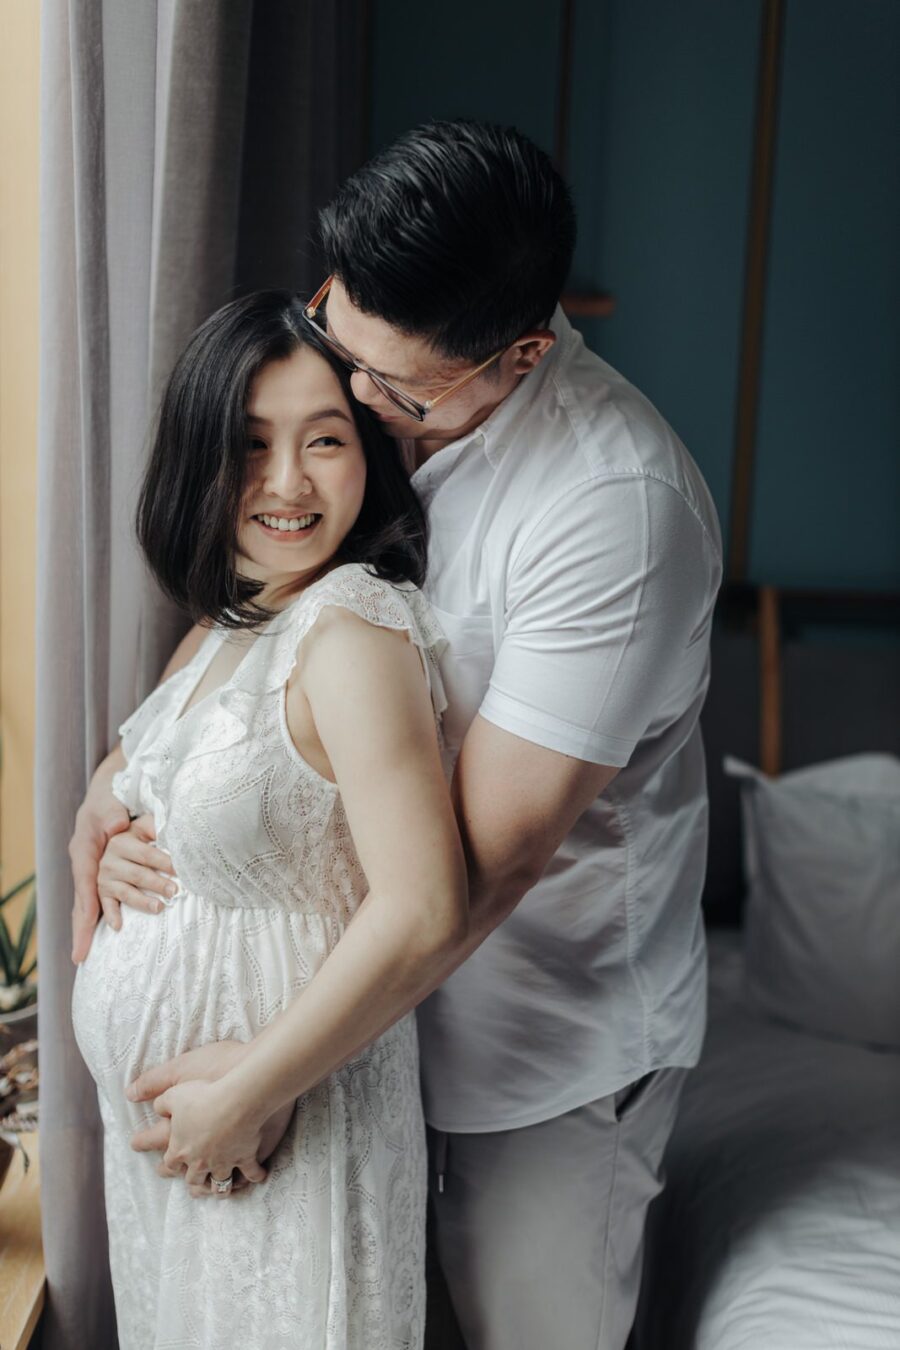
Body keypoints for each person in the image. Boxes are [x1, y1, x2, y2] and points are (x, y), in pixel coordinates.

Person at [71, 121, 723, 1350]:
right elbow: (256, 651)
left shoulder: (611, 510)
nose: (359, 409)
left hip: (533, 1047)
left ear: (520, 354)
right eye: (339, 344)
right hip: (352, 1046)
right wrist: (113, 794)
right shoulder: (366, 397)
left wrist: (267, 1077)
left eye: (391, 392)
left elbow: (475, 869)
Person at [71, 289, 468, 1350]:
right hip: (178, 1155)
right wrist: (98, 815)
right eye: (250, 445)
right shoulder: (233, 619)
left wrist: (250, 1088)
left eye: (324, 440)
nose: (287, 483)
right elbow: (175, 766)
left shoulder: (350, 627)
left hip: (279, 1128)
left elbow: (427, 906)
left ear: (370, 454)